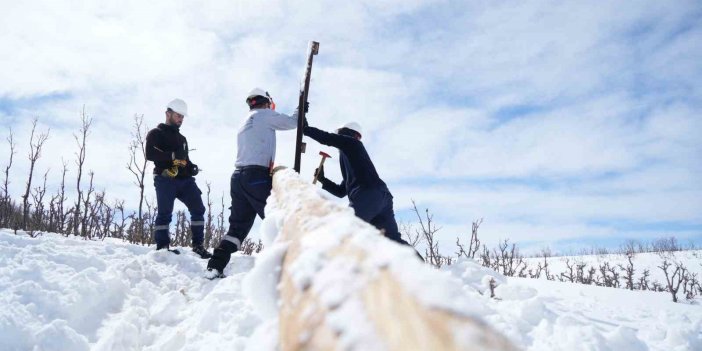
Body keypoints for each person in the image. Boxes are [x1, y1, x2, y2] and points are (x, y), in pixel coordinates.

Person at [205, 88, 305, 278]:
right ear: (266, 102)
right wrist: (300, 109)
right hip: (256, 176)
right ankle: (287, 269)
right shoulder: (264, 115)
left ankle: (215, 266)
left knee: (237, 228)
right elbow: (293, 122)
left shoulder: (245, 121)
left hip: (238, 178)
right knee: (278, 218)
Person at [304, 121, 421, 257]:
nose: (338, 137)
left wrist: (306, 129)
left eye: (340, 134)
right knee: (392, 239)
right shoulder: (352, 156)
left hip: (368, 194)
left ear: (346, 133)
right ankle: (422, 266)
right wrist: (323, 180)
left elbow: (328, 138)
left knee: (347, 229)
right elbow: (342, 191)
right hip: (381, 197)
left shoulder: (352, 144)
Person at [145, 98, 212, 259]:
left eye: (182, 117)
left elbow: (185, 161)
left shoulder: (182, 139)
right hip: (165, 179)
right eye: (178, 116)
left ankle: (198, 246)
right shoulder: (156, 133)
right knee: (165, 213)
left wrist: (192, 167)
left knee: (198, 209)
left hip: (185, 180)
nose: (181, 119)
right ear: (168, 114)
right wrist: (172, 156)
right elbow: (150, 155)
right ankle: (162, 247)